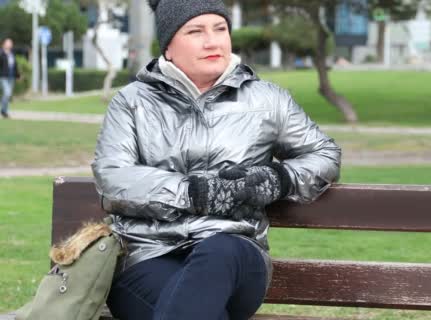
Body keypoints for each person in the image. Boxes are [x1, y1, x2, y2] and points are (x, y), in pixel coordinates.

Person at [91, 0, 341, 319]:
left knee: (219, 250)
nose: (213, 41)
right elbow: (113, 178)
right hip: (147, 255)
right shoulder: (132, 102)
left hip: (236, 254)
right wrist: (196, 192)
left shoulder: (268, 99)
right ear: (168, 47)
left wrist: (279, 179)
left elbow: (324, 154)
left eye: (220, 29)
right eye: (196, 31)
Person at [0, 38, 20, 119]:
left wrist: (18, 75)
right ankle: (3, 110)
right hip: (3, 76)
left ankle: (4, 111)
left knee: (8, 95)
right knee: (7, 93)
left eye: (11, 43)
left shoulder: (12, 54)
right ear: (4, 44)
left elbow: (15, 66)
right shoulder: (1, 53)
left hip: (11, 77)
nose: (10, 44)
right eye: (8, 43)